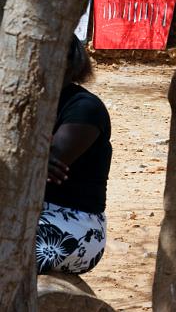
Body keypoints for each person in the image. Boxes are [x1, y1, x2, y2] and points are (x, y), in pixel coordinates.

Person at [36, 34, 112, 275]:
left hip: (74, 226)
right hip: (30, 215)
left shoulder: (84, 108)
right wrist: (34, 156)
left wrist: (31, 160)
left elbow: (41, 171)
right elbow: (31, 164)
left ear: (67, 63)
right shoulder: (23, 103)